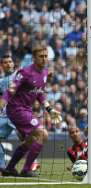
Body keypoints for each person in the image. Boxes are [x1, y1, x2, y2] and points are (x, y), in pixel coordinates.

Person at [2, 45, 62, 177]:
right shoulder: (25, 72)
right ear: (34, 58)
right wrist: (2, 103)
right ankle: (26, 169)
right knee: (42, 133)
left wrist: (49, 109)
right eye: (41, 56)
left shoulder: (45, 73)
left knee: (30, 140)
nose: (44, 59)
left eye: (46, 56)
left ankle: (10, 168)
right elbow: (11, 90)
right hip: (16, 109)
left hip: (26, 110)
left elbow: (39, 93)